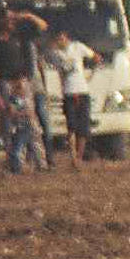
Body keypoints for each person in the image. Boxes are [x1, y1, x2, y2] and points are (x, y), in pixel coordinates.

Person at [0, 7, 51, 169]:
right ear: (0, 21)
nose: (12, 21)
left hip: (22, 82)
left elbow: (43, 26)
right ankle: (13, 161)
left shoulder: (21, 34)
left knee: (31, 123)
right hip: (5, 84)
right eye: (9, 18)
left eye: (13, 18)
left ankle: (40, 162)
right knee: (8, 123)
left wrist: (27, 15)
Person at [42, 29, 100, 166]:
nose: (60, 41)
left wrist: (90, 75)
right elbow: (58, 71)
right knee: (71, 126)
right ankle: (73, 157)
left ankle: (80, 156)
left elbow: (95, 57)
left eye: (61, 38)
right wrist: (61, 88)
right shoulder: (56, 54)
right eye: (57, 39)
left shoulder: (78, 47)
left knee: (83, 127)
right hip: (68, 93)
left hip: (82, 91)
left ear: (66, 37)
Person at [0, 72, 46, 176]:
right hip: (21, 127)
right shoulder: (15, 99)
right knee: (21, 148)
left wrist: (17, 113)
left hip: (27, 126)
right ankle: (20, 167)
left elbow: (28, 112)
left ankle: (30, 166)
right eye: (18, 86)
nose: (20, 88)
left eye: (21, 86)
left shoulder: (24, 99)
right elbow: (13, 112)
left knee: (29, 147)